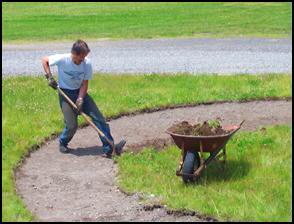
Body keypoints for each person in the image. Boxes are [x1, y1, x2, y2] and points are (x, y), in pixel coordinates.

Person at [42, 39, 126, 158]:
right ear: (74, 54)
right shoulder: (63, 59)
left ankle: (110, 147)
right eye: (81, 58)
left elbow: (84, 84)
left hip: (81, 93)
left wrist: (80, 99)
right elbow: (44, 60)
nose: (83, 60)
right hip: (65, 94)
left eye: (85, 57)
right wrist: (49, 77)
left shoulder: (86, 63)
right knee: (72, 125)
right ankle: (63, 142)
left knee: (99, 119)